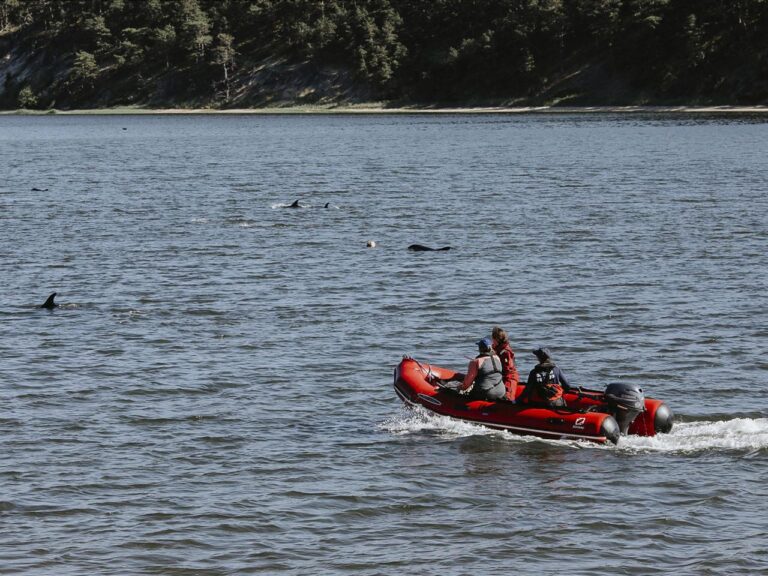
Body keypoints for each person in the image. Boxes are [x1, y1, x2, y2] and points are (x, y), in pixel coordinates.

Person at [491, 326, 520, 402]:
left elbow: (508, 369)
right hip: (500, 376)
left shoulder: (505, 352)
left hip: (509, 377)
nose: (492, 341)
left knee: (508, 398)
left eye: (493, 339)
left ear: (497, 339)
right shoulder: (497, 348)